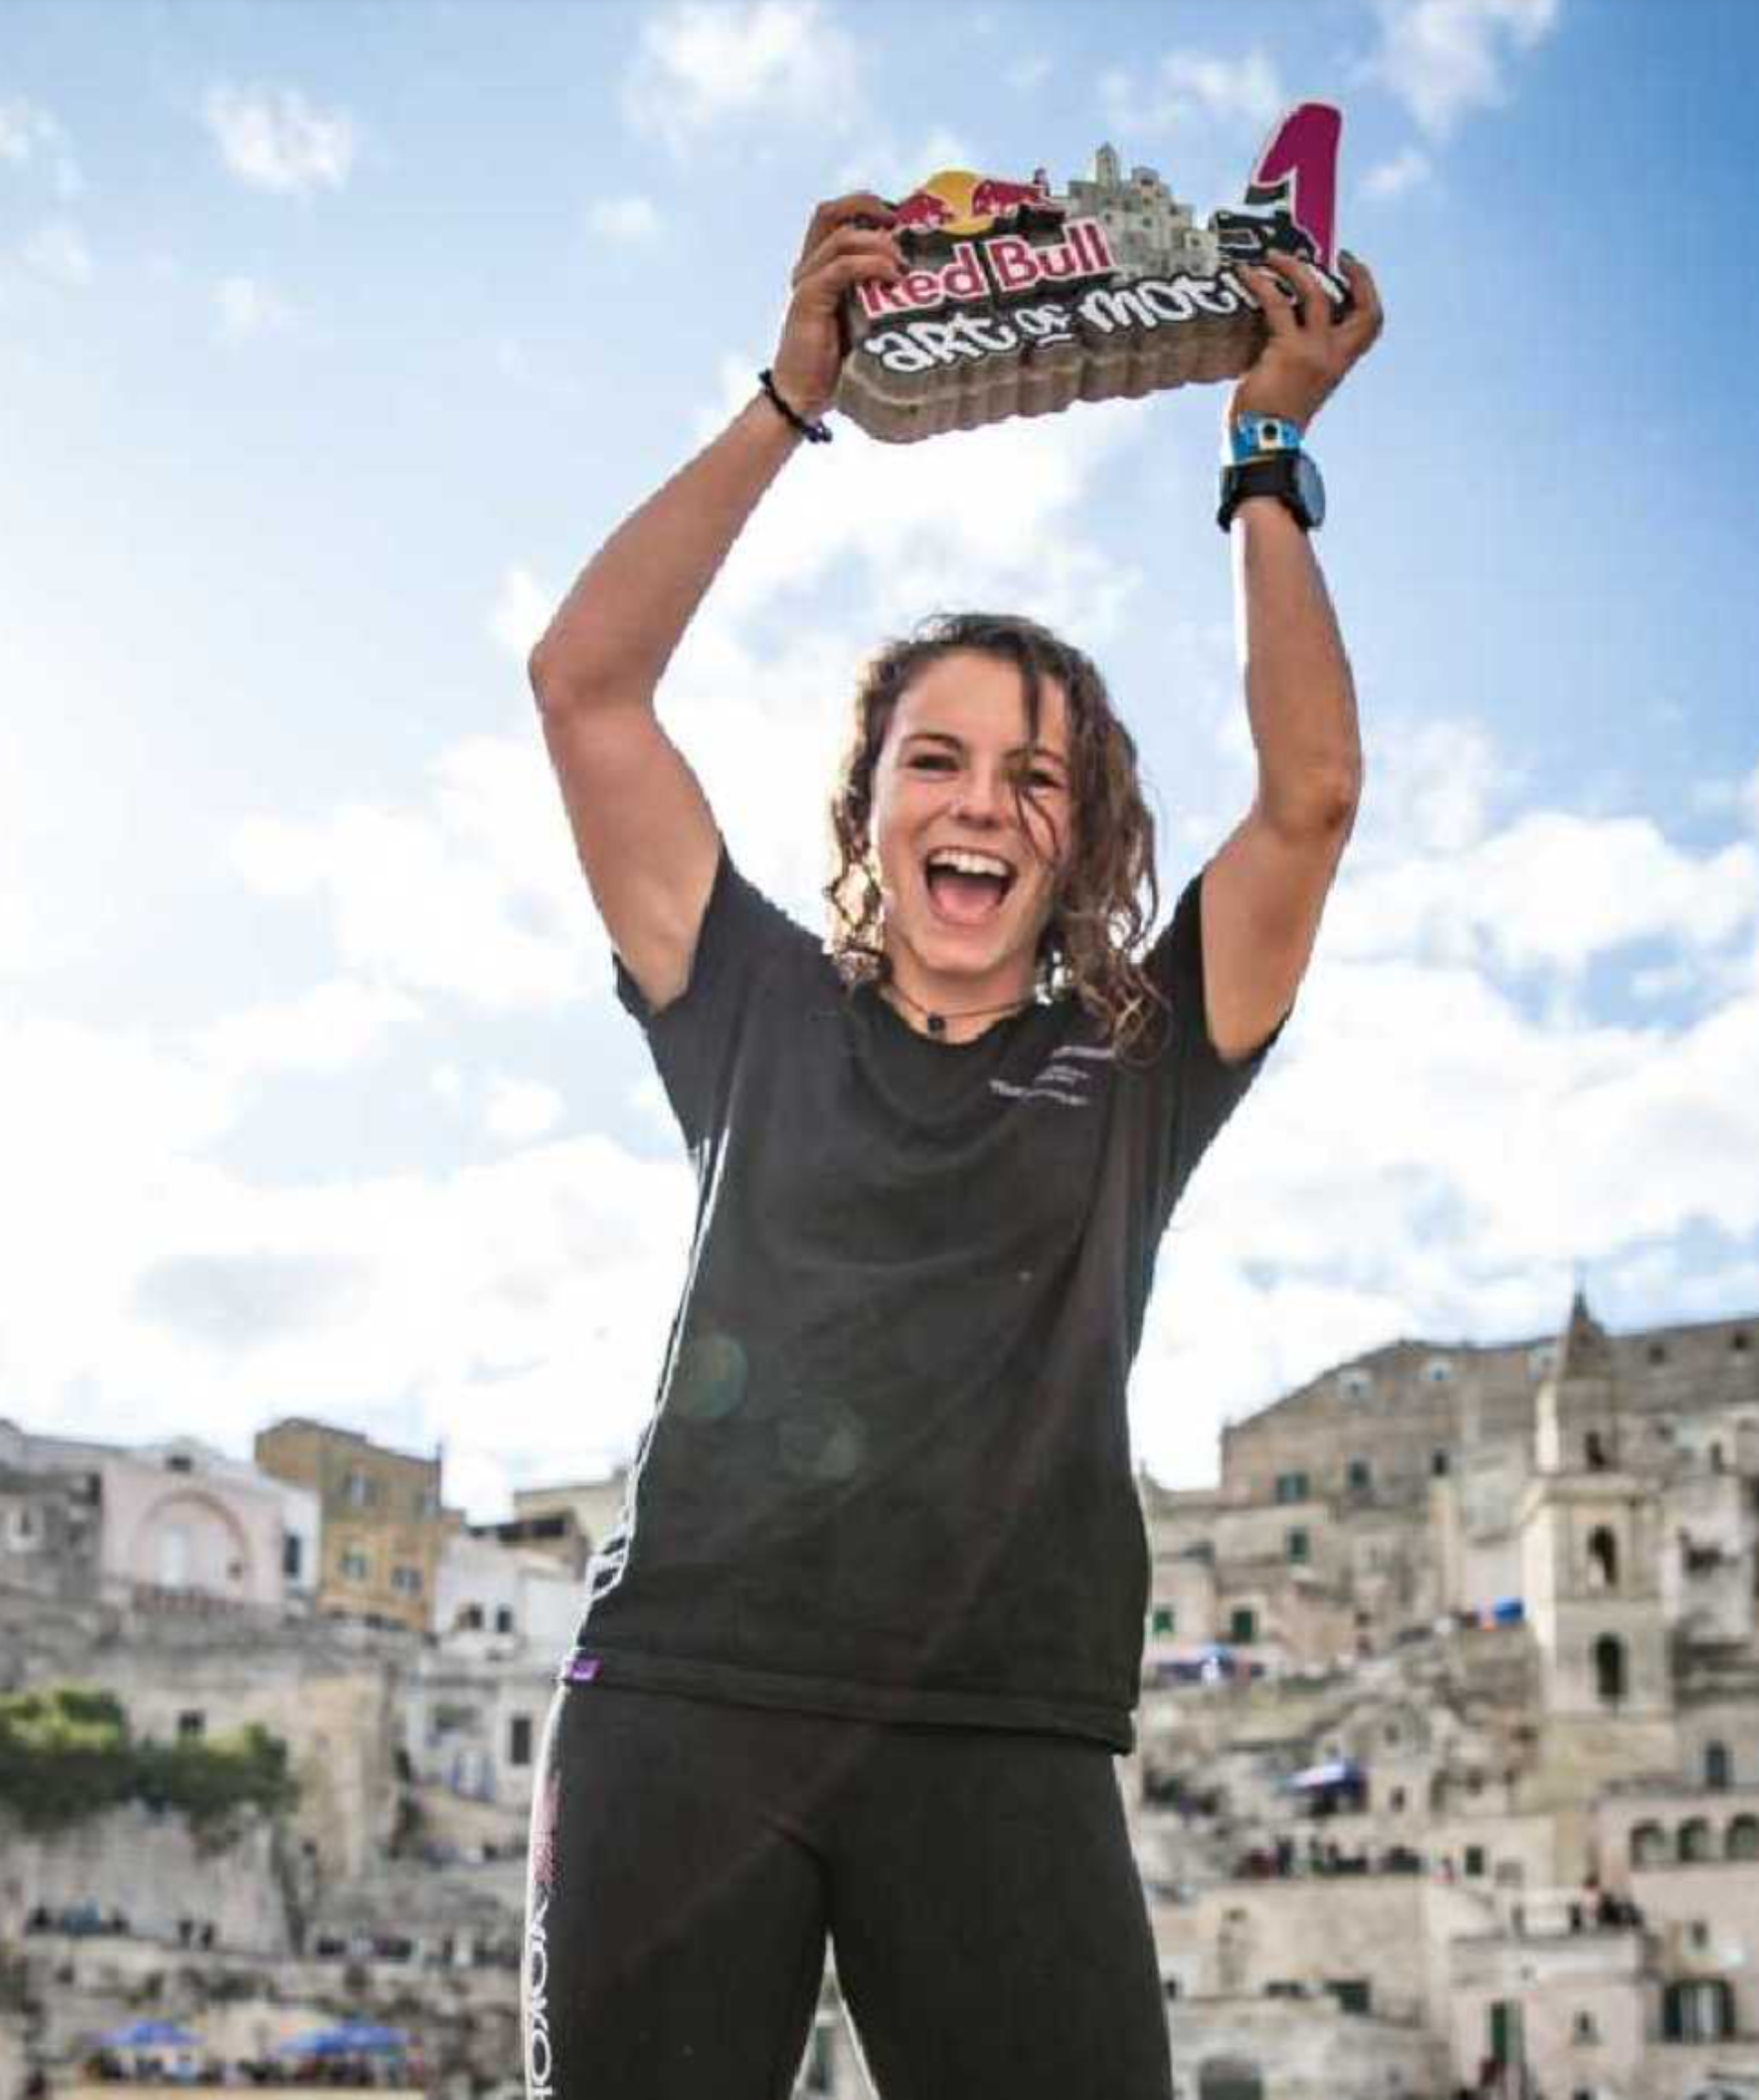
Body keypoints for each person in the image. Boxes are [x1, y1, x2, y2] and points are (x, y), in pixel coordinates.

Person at [522, 192, 1382, 2099]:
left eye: (1035, 774)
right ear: (872, 809)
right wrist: (789, 398)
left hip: (1005, 1727)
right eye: (938, 757)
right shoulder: (750, 1000)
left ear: (1081, 839)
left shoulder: (1146, 1060)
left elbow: (1311, 800)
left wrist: (1264, 450)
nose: (983, 800)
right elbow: (584, 688)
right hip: (685, 1705)